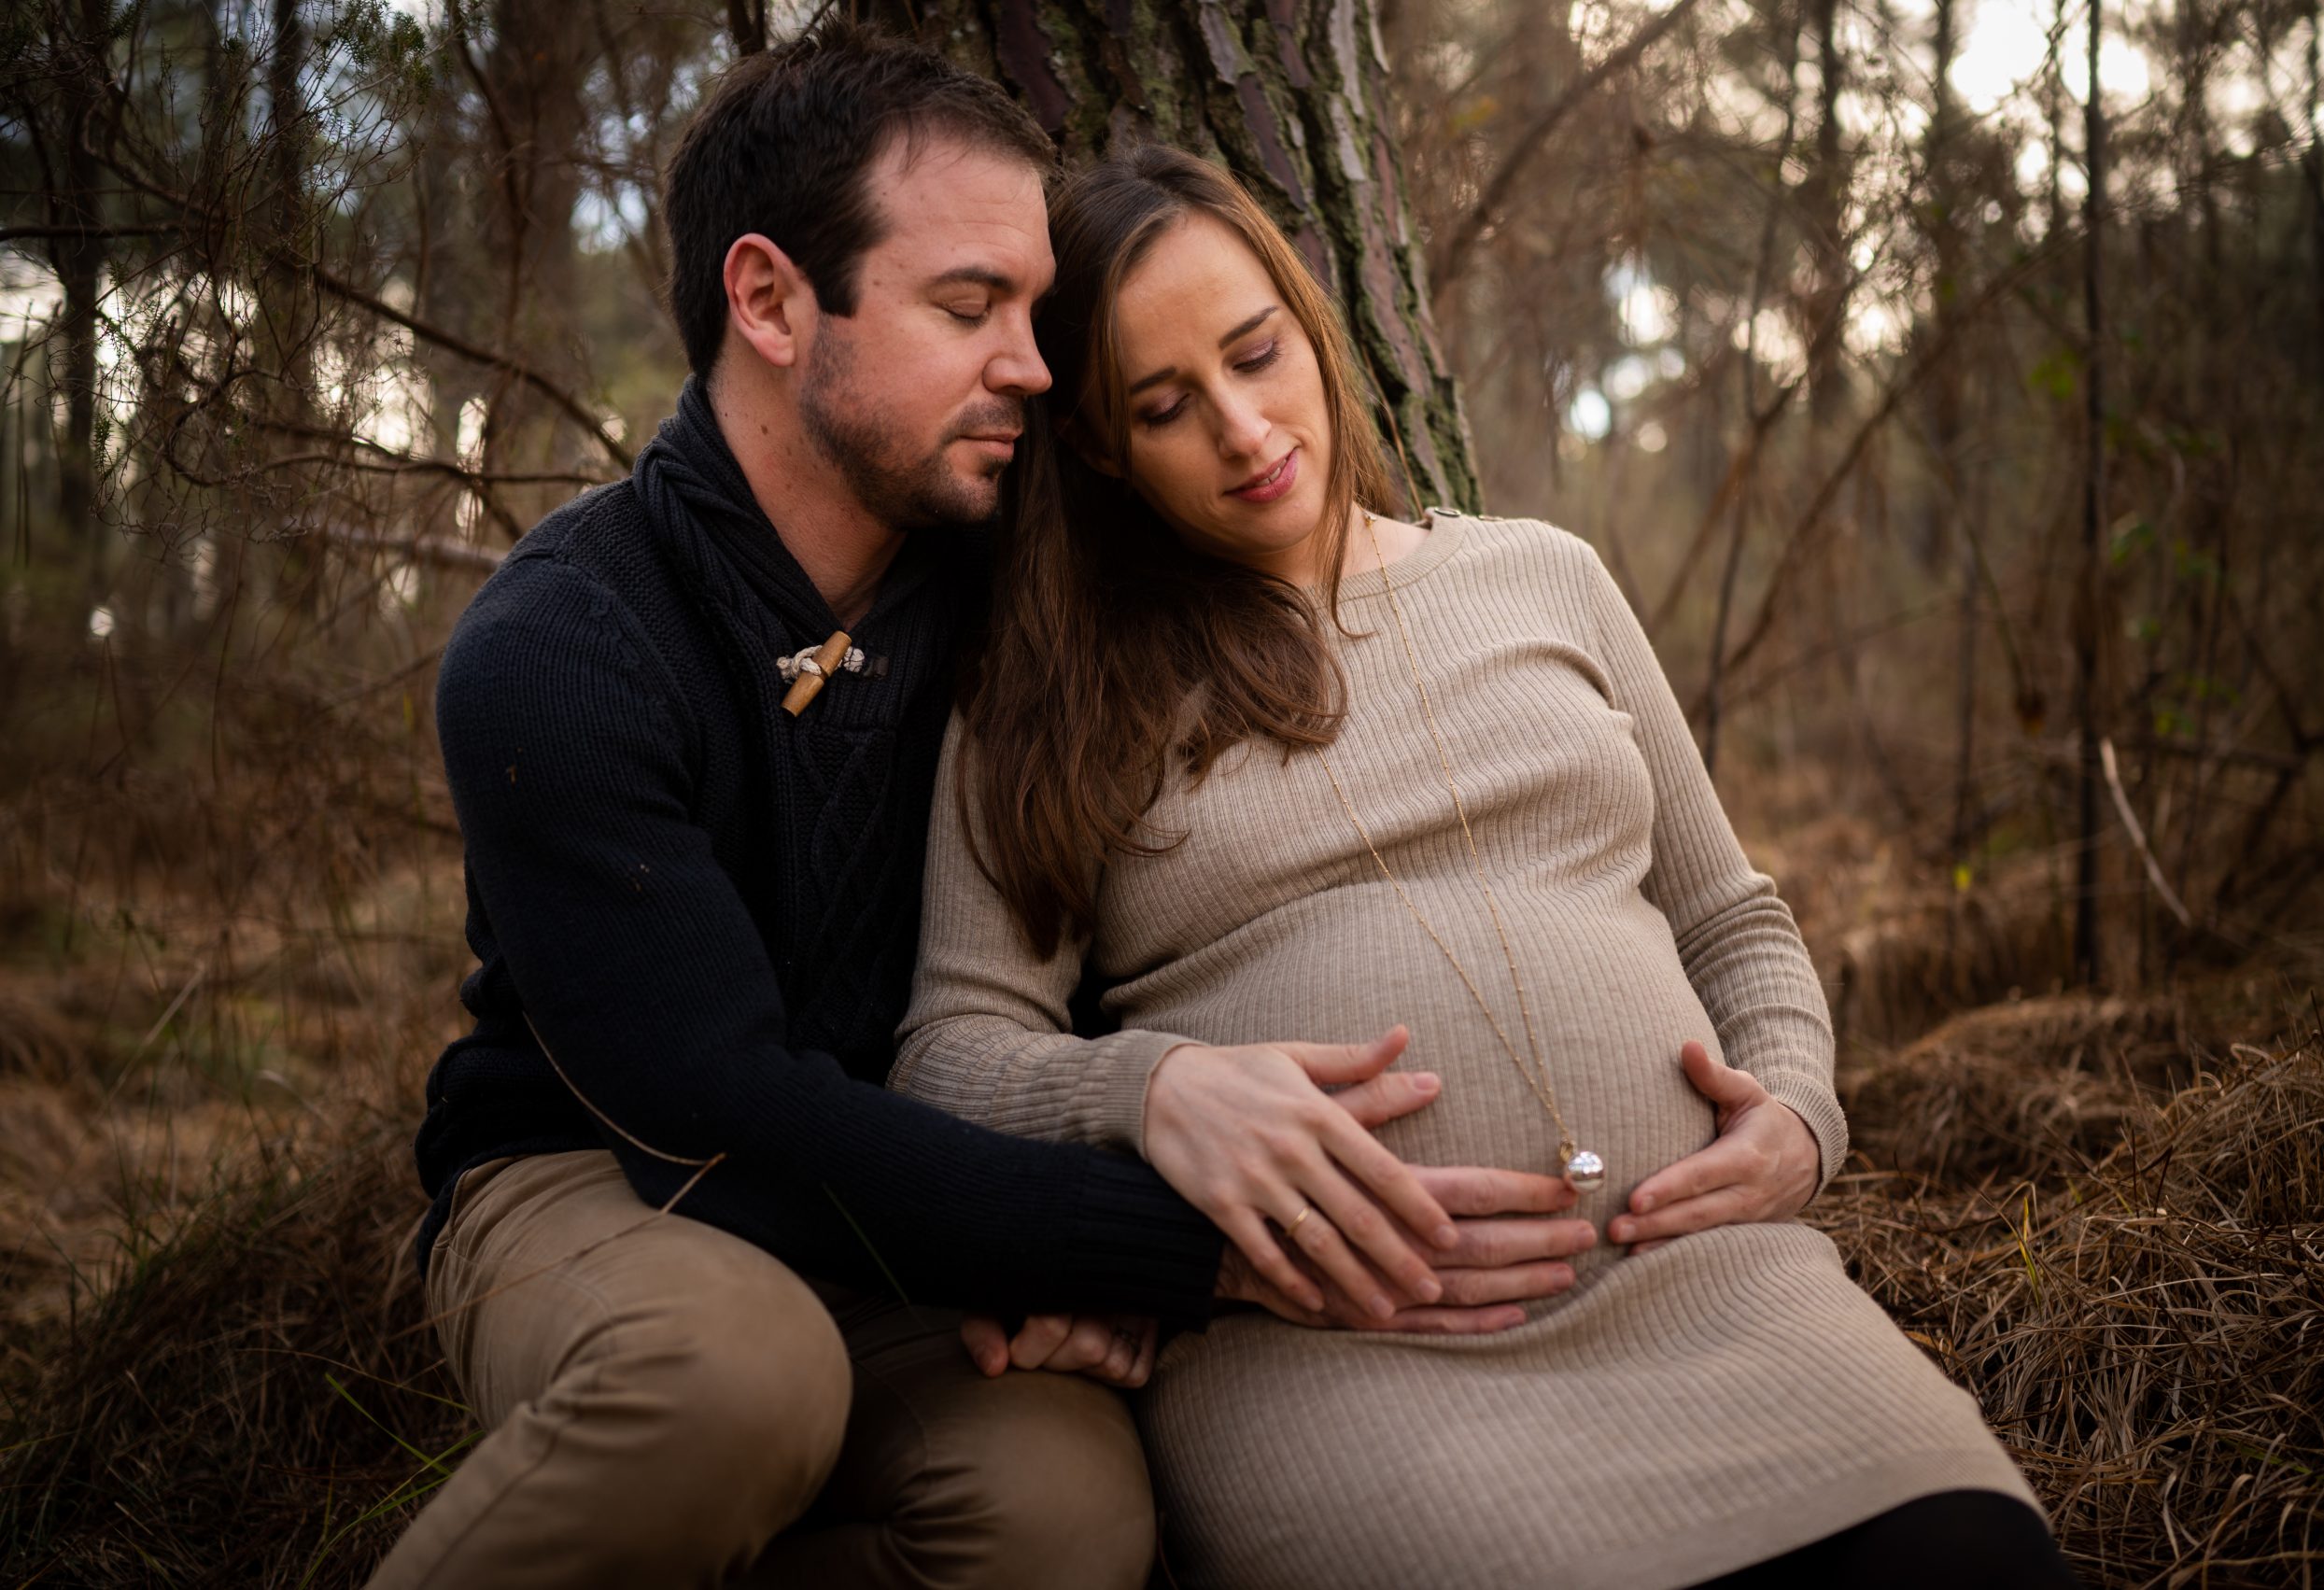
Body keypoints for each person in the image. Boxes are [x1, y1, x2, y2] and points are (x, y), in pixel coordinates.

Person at [368, 29, 1586, 1590]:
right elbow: (718, 1112)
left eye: (1034, 310)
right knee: (736, 1386)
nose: (1031, 361)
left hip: (914, 1182)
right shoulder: (561, 650)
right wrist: (1160, 1249)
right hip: (598, 1174)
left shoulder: (1014, 579)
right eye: (969, 307)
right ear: (770, 301)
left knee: (1063, 1518)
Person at [891, 145, 2081, 1590]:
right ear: (1095, 447)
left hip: (1712, 1293)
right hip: (1341, 1347)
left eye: (1258, 353)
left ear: (1312, 319)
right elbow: (951, 1055)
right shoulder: (1050, 694)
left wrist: (1803, 1118)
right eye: (1164, 405)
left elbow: (1735, 920)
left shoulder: (1541, 575)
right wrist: (1146, 1089)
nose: (1246, 426)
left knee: (1981, 1560)